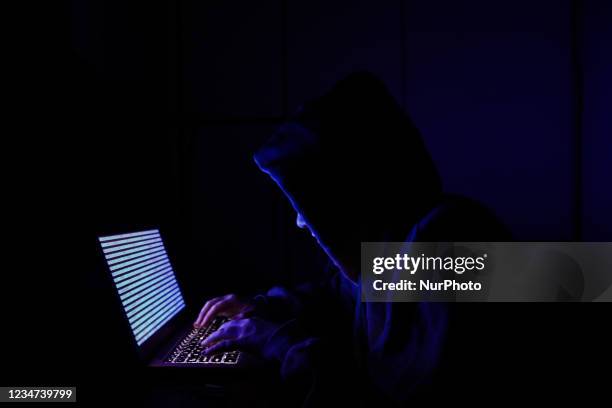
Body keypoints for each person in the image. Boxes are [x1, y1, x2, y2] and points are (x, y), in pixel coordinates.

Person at [193, 72, 511, 406]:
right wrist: (264, 308)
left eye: (311, 201)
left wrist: (278, 342)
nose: (301, 221)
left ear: (353, 189)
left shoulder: (455, 238)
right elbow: (339, 296)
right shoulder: (399, 239)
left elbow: (372, 401)